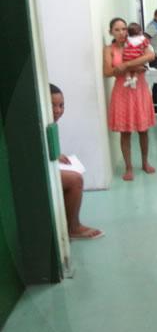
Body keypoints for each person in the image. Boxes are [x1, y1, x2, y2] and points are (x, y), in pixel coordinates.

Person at [104, 17, 156, 181]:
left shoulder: (136, 42)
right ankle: (128, 167)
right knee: (125, 132)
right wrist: (136, 66)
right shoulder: (108, 49)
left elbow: (151, 56)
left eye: (124, 29)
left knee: (143, 130)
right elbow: (107, 71)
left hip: (139, 90)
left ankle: (145, 162)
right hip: (122, 93)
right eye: (117, 29)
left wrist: (126, 65)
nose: (121, 33)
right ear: (110, 32)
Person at [50, 84, 104, 239]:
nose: (58, 110)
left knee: (73, 172)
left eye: (61, 105)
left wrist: (56, 155)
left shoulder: (51, 124)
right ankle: (73, 228)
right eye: (52, 105)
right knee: (75, 180)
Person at [122, 22, 149, 89]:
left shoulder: (127, 39)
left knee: (126, 69)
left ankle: (128, 79)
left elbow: (125, 45)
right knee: (138, 69)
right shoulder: (142, 39)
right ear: (140, 31)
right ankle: (134, 79)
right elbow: (146, 45)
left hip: (127, 57)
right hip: (137, 57)